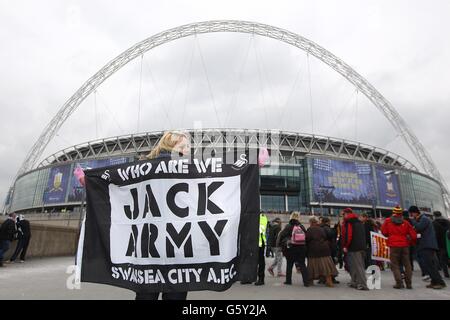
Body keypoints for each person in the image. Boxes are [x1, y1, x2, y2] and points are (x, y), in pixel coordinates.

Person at [409, 206, 446, 289]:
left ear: (415, 212)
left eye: (412, 213)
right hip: (424, 245)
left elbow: (419, 227)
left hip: (428, 245)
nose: (411, 215)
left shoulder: (424, 219)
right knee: (428, 265)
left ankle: (440, 282)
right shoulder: (421, 219)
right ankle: (434, 281)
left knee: (430, 265)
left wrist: (413, 221)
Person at [381, 206, 417, 289]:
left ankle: (399, 283)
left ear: (393, 213)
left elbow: (384, 232)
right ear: (401, 213)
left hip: (393, 245)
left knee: (395, 265)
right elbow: (413, 235)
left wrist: (390, 236)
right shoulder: (405, 222)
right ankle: (409, 283)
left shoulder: (388, 221)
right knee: (407, 264)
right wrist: (411, 242)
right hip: (404, 245)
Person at [277, 212, 309, 286]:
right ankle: (306, 282)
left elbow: (282, 236)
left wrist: (280, 245)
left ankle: (288, 281)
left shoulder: (288, 226)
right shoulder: (301, 226)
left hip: (291, 248)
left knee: (289, 264)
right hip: (301, 248)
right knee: (302, 264)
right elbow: (306, 236)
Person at [341, 208, 369, 290]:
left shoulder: (349, 222)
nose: (343, 216)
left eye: (343, 214)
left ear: (346, 214)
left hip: (353, 247)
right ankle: (354, 281)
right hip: (361, 246)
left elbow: (348, 235)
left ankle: (363, 284)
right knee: (354, 266)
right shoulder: (358, 221)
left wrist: (345, 246)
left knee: (358, 266)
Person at [306, 217, 338, 287]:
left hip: (314, 250)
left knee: (312, 266)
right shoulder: (321, 229)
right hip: (324, 249)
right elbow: (325, 237)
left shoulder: (310, 229)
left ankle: (310, 281)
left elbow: (307, 239)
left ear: (311, 222)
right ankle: (329, 281)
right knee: (326, 266)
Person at [432, 211, 450, 278]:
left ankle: (446, 274)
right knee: (448, 257)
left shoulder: (434, 223)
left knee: (443, 259)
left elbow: (435, 234)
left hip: (440, 243)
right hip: (448, 242)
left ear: (434, 216)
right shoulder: (447, 222)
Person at [254, 213, 269, 286]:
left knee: (260, 261)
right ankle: (248, 277)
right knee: (251, 260)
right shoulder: (253, 216)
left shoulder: (262, 217)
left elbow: (261, 229)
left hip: (260, 243)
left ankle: (261, 278)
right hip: (252, 242)